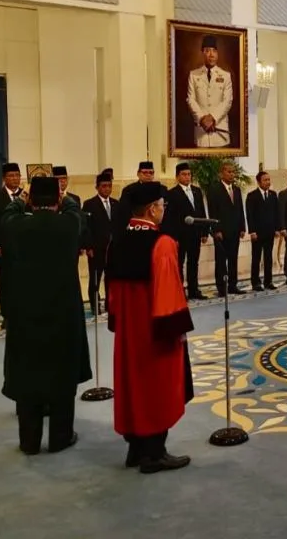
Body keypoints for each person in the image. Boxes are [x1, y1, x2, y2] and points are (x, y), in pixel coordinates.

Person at [107, 181, 194, 474]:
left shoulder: (117, 241)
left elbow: (112, 293)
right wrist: (175, 330)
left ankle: (135, 449)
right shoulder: (162, 243)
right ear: (151, 209)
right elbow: (168, 292)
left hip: (128, 332)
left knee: (133, 386)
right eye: (161, 205)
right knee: (157, 386)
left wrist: (119, 322)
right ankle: (154, 454)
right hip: (155, 330)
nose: (163, 210)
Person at [0, 176, 91, 455]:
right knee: (62, 373)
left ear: (30, 200)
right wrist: (64, 197)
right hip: (63, 311)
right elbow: (74, 208)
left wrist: (21, 198)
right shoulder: (68, 224)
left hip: (25, 311)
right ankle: (60, 437)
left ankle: (29, 441)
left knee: (28, 372)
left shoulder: (17, 226)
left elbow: (8, 212)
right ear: (57, 200)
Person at [162, 162, 208, 300]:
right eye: (184, 174)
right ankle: (179, 291)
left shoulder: (197, 191)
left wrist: (204, 231)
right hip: (180, 235)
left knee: (194, 262)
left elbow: (201, 212)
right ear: (177, 177)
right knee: (179, 263)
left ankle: (194, 290)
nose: (187, 177)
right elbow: (169, 218)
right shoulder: (172, 194)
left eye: (189, 174)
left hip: (195, 233)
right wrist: (173, 237)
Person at [0, 162, 24, 325]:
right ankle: (7, 316)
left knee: (23, 282)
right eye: (11, 176)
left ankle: (23, 313)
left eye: (17, 175)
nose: (15, 178)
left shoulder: (26, 195)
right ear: (4, 178)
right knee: (6, 283)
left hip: (23, 247)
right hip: (4, 247)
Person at [186, 34, 234, 148]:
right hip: (201, 134)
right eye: (207, 51)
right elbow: (190, 99)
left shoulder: (225, 75)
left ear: (217, 54)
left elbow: (227, 101)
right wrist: (202, 119)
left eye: (214, 51)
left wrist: (213, 118)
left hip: (220, 134)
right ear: (202, 53)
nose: (211, 54)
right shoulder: (193, 75)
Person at [206, 160, 246, 296]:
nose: (231, 174)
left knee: (233, 259)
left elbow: (240, 210)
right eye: (229, 172)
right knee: (221, 261)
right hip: (221, 232)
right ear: (221, 173)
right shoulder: (214, 189)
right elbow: (212, 211)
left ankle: (233, 285)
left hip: (235, 231)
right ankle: (222, 288)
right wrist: (216, 230)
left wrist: (242, 227)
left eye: (233, 172)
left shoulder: (236, 189)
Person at [83, 171, 117, 315]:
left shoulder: (116, 203)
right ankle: (95, 305)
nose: (107, 189)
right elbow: (86, 227)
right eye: (104, 186)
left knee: (111, 278)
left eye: (109, 186)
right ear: (97, 187)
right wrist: (88, 246)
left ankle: (110, 304)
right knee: (95, 278)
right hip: (96, 249)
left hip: (112, 249)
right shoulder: (89, 204)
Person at [245, 170, 280, 291]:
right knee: (256, 258)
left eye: (269, 180)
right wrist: (252, 231)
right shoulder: (252, 196)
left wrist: (277, 229)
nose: (268, 182)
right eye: (265, 180)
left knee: (268, 258)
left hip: (270, 232)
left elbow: (276, 213)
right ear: (259, 182)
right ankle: (255, 282)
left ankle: (268, 281)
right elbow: (250, 215)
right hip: (257, 233)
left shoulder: (273, 195)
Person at [117, 161, 158, 231]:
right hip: (136, 227)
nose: (148, 175)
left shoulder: (160, 189)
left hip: (155, 227)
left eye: (151, 173)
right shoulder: (129, 190)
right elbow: (124, 212)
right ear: (138, 174)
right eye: (145, 172)